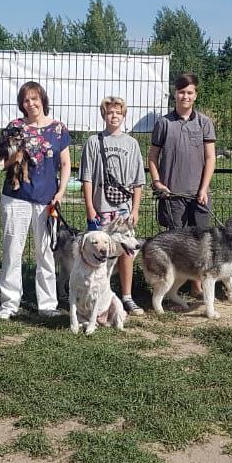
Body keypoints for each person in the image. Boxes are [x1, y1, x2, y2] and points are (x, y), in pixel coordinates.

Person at [0, 81, 72, 320]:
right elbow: (3, 164)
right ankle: (9, 303)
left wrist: (60, 192)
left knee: (46, 252)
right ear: (22, 104)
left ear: (42, 100)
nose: (31, 104)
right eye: (26, 100)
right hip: (16, 196)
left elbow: (66, 164)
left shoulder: (58, 129)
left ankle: (47, 304)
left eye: (34, 98)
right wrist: (15, 157)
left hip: (46, 199)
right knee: (12, 250)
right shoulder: (14, 127)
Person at [79, 96, 145, 316]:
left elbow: (138, 181)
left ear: (124, 115)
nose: (114, 116)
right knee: (97, 253)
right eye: (110, 113)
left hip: (123, 210)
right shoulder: (93, 142)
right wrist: (90, 207)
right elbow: (87, 177)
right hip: (100, 209)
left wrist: (135, 209)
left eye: (118, 112)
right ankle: (93, 297)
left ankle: (127, 296)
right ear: (103, 116)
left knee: (127, 252)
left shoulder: (131, 144)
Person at [148, 73, 216, 230]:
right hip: (172, 196)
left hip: (199, 195)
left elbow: (211, 157)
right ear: (175, 94)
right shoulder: (163, 123)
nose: (185, 96)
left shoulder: (204, 122)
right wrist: (157, 182)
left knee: (200, 243)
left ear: (195, 95)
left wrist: (203, 189)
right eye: (181, 92)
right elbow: (152, 156)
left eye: (190, 92)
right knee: (176, 246)